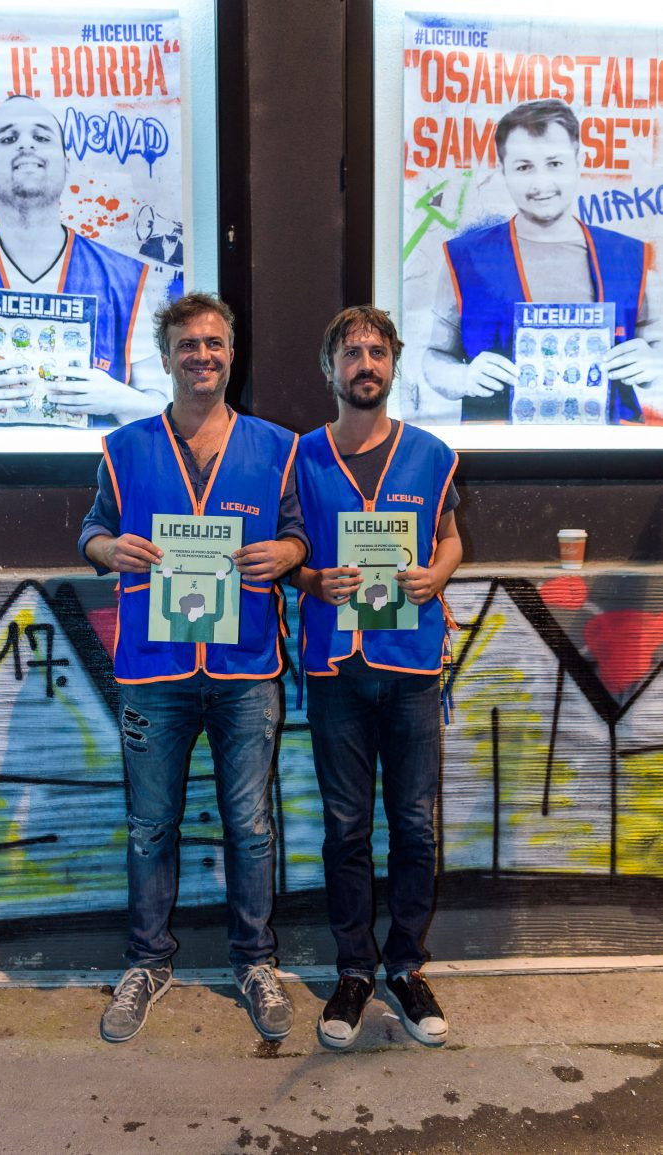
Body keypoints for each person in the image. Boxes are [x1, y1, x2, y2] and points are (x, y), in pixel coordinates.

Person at [79, 291, 308, 1044]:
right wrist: (110, 549)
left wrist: (288, 553)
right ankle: (148, 963)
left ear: (231, 354)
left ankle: (255, 961)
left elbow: (299, 534)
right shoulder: (125, 447)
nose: (201, 356)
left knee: (250, 826)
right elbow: (92, 530)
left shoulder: (277, 447)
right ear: (166, 356)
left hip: (245, 667)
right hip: (154, 668)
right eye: (187, 345)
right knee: (151, 827)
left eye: (214, 343)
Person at [292, 305, 462, 1050]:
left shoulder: (430, 454)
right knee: (346, 826)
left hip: (413, 665)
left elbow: (451, 539)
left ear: (393, 363)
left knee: (416, 825)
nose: (366, 364)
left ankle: (406, 964)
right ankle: (355, 968)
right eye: (351, 353)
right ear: (329, 369)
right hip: (336, 667)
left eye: (377, 352)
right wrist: (312, 579)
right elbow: (286, 553)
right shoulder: (300, 457)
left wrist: (437, 574)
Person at [0, 95, 169, 432]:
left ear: (66, 163)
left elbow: (161, 411)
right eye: (8, 138)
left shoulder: (122, 278)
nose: (26, 145)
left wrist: (115, 398)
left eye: (42, 137)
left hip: (92, 466)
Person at [423, 99, 663, 423]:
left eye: (555, 163)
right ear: (502, 170)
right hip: (498, 448)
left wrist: (655, 366)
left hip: (607, 448)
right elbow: (436, 355)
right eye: (524, 167)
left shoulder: (631, 256)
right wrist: (462, 378)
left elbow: (657, 350)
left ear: (579, 162)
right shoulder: (465, 258)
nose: (541, 184)